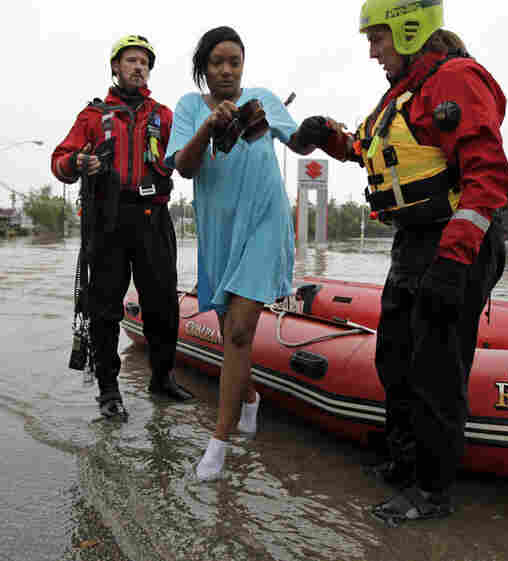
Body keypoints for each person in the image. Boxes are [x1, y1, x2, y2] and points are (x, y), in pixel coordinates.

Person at [295, 0, 508, 523]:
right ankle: (405, 460)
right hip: (414, 241)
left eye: (378, 39)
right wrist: (324, 134)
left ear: (409, 29)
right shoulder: (402, 94)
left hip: (455, 240)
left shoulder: (454, 80)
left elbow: (488, 177)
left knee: (436, 368)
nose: (372, 51)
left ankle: (432, 491)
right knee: (395, 358)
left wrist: (454, 261)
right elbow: (366, 147)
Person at [166, 26, 314, 481]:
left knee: (240, 331)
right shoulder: (190, 108)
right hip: (219, 231)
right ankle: (249, 398)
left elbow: (299, 142)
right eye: (217, 63)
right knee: (231, 328)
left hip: (265, 222)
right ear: (203, 69)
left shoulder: (263, 99)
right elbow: (184, 166)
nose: (227, 70)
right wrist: (210, 126)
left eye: (234, 62)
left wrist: (321, 133)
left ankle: (218, 442)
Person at [51, 34, 192, 421]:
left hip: (154, 219)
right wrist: (79, 162)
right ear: (116, 67)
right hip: (107, 221)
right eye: (130, 60)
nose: (138, 66)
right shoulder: (93, 117)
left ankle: (162, 378)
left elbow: (189, 155)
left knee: (163, 304)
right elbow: (60, 160)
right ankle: (109, 389)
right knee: (105, 309)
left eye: (144, 61)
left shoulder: (164, 115)